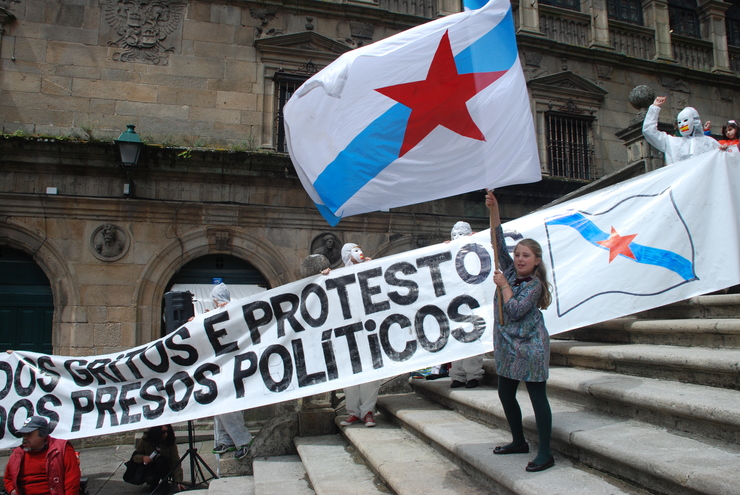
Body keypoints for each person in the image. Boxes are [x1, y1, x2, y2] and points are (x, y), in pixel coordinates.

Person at [486, 191, 555, 473]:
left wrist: (503, 286)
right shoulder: (511, 272)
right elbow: (496, 239)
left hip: (531, 348)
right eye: (517, 255)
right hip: (507, 347)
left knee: (538, 398)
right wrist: (494, 208)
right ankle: (518, 440)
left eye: (525, 255)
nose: (519, 259)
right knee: (505, 393)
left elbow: (514, 310)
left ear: (536, 260)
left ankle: (546, 453)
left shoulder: (533, 285)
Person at [207, 283, 254, 459]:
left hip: (234, 366)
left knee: (229, 406)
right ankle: (225, 439)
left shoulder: (235, 313)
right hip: (218, 368)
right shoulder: (212, 316)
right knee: (219, 406)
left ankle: (242, 440)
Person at [338, 243, 381, 428]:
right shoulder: (337, 276)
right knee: (349, 373)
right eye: (354, 249)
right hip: (348, 331)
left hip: (370, 328)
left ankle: (368, 411)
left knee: (371, 372)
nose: (360, 252)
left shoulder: (370, 269)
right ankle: (353, 412)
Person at [4, 416, 81, 495]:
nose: (25, 438)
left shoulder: (62, 449)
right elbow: (8, 478)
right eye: (23, 434)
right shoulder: (17, 455)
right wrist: (12, 490)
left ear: (43, 434)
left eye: (29, 434)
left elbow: (72, 481)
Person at [447, 221, 484, 389]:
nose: (458, 238)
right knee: (456, 338)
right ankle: (457, 374)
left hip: (472, 299)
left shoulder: (478, 248)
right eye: (455, 234)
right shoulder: (448, 252)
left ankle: (473, 374)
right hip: (454, 302)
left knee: (474, 336)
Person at [642, 96, 719, 165]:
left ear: (694, 121)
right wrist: (654, 108)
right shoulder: (671, 142)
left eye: (685, 120)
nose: (682, 124)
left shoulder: (709, 142)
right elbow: (649, 131)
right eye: (679, 122)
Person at [131, 424, 185, 494]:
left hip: (164, 466)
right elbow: (135, 455)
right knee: (150, 478)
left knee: (161, 461)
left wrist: (178, 481)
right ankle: (154, 483)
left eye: (167, 432)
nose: (165, 434)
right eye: (163, 432)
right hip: (150, 466)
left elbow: (175, 460)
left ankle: (164, 482)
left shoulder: (170, 441)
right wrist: (143, 458)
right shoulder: (146, 439)